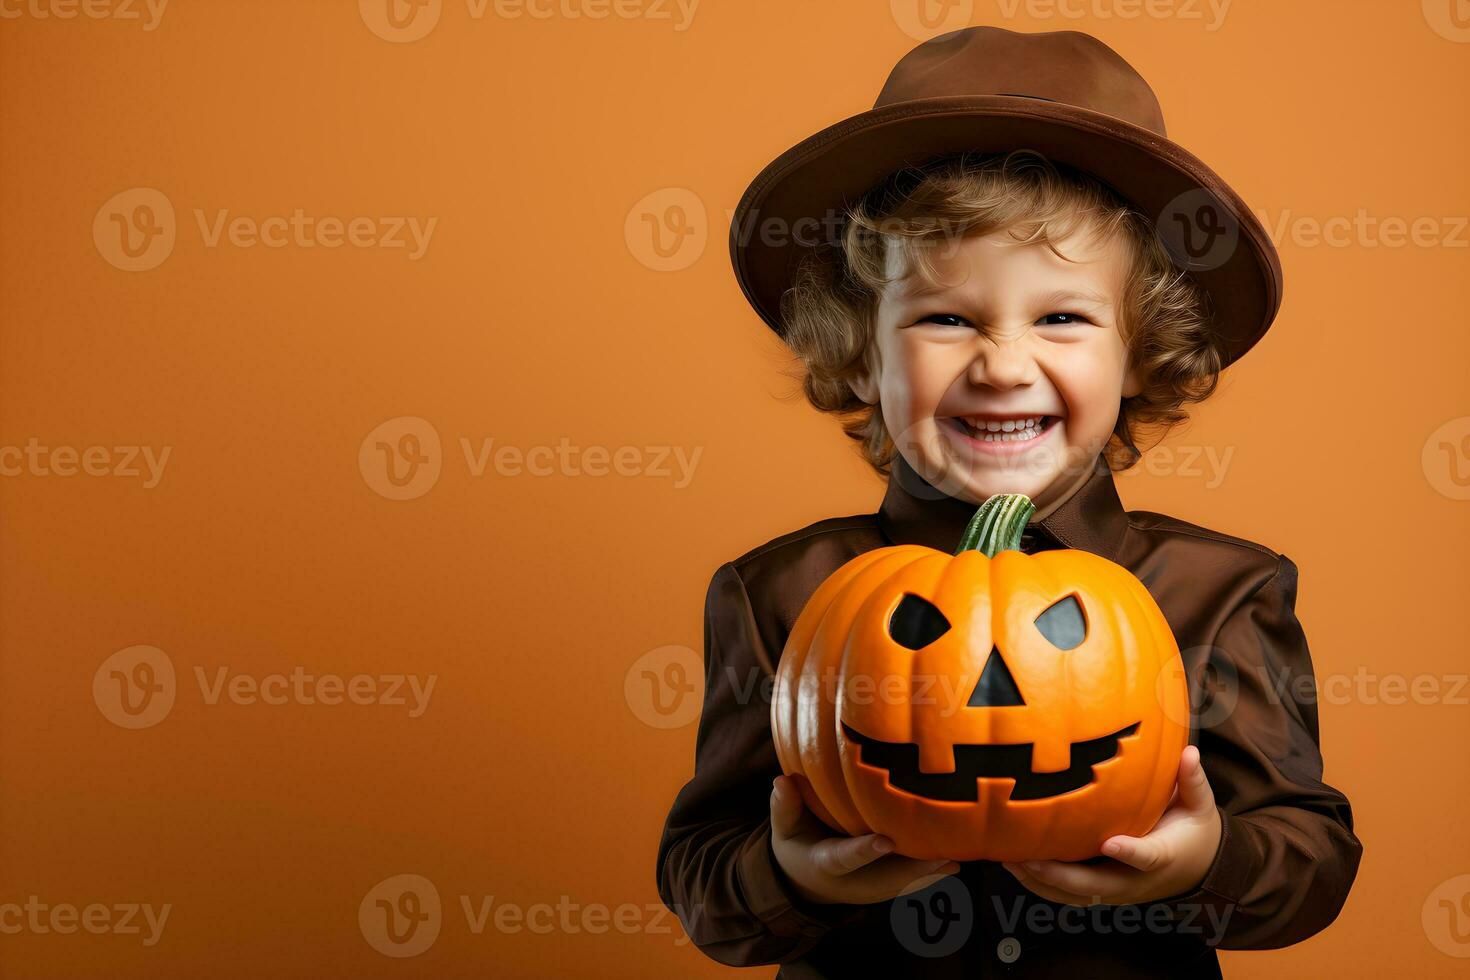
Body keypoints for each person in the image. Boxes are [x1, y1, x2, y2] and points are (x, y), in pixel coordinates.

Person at [656, 26, 1361, 977]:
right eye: (945, 318)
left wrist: (1205, 864)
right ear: (863, 348)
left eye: (1062, 318)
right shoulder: (779, 592)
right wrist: (795, 876)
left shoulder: (1221, 591)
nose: (1000, 364)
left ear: (1139, 352)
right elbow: (703, 884)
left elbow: (1313, 864)